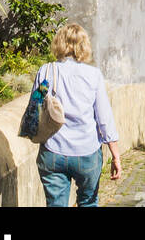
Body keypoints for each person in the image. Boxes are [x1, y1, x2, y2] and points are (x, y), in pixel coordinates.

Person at [32, 22, 122, 207]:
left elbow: (35, 107)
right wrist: (115, 155)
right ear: (84, 46)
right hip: (86, 152)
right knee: (88, 203)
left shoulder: (46, 71)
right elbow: (104, 119)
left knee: (55, 204)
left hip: (53, 150)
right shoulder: (93, 75)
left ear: (59, 43)